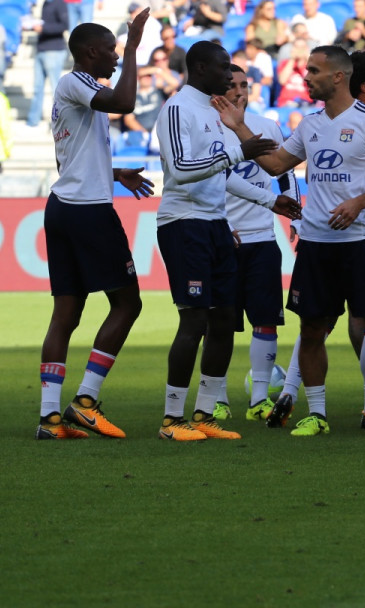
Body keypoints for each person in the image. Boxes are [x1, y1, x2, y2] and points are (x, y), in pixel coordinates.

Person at [219, 45, 365, 438]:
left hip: (361, 241)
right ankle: (317, 413)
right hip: (317, 243)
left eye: (314, 71)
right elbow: (274, 165)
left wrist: (360, 202)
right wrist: (239, 127)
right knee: (311, 329)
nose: (306, 77)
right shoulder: (309, 125)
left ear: (338, 76)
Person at [35, 12, 154, 440]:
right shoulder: (77, 83)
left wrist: (113, 171)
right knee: (128, 303)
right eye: (111, 50)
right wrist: (137, 46)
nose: (117, 58)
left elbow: (74, 154)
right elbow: (125, 104)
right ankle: (85, 401)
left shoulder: (74, 92)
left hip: (65, 204)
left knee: (67, 311)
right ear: (90, 52)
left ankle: (50, 418)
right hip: (87, 211)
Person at [152, 41, 278, 441]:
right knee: (195, 319)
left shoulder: (213, 111)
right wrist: (239, 151)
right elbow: (181, 168)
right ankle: (172, 418)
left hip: (217, 222)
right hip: (184, 223)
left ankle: (205, 413)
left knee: (225, 319)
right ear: (201, 67)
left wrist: (272, 200)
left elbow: (221, 174)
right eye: (224, 68)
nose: (230, 76)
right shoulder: (177, 109)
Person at [214, 64, 301, 421]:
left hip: (262, 237)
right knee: (218, 323)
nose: (239, 92)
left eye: (244, 85)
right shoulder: (208, 128)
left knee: (266, 321)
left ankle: (259, 400)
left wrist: (294, 215)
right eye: (231, 86)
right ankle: (215, 398)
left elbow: (285, 173)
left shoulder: (267, 126)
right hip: (223, 237)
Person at [27, 0, 69, 128]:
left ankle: (58, 121)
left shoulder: (59, 2)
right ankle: (33, 120)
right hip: (42, 48)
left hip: (54, 50)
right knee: (37, 87)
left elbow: (64, 25)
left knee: (54, 89)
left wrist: (43, 28)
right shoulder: (45, 2)